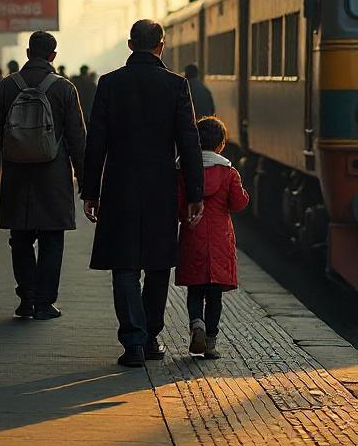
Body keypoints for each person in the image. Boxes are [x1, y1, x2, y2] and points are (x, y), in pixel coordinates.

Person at [83, 20, 204, 367]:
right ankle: (151, 336)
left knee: (124, 264)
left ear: (130, 44)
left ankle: (133, 342)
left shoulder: (110, 83)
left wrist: (91, 190)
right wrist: (195, 192)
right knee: (156, 263)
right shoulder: (176, 85)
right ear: (161, 46)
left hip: (120, 185)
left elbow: (97, 143)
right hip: (160, 187)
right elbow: (189, 141)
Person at [0, 31, 86, 320]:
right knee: (52, 239)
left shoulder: (8, 86)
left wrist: (13, 148)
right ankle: (44, 303)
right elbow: (78, 138)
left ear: (28, 53)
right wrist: (85, 180)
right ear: (53, 56)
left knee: (20, 238)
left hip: (17, 174)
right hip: (53, 174)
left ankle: (26, 299)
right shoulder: (64, 89)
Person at [176, 116, 249, 359]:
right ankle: (210, 341)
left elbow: (178, 205)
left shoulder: (184, 170)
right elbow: (238, 204)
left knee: (195, 290)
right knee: (214, 295)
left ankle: (196, 323)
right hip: (219, 240)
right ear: (221, 144)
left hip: (192, 236)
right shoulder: (229, 172)